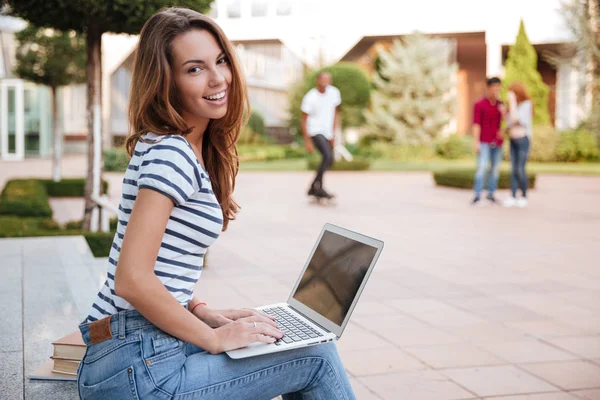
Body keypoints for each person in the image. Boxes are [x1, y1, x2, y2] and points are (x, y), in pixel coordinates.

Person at [76, 8, 355, 400]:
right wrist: (213, 338)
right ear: (166, 81)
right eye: (194, 69)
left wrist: (200, 310)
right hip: (138, 366)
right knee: (316, 355)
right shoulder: (172, 153)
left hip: (131, 350)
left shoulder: (168, 145)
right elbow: (132, 278)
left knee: (284, 342)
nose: (217, 78)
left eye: (220, 60)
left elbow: (157, 262)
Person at [301, 71, 342, 199]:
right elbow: (303, 120)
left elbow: (335, 113)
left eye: (328, 80)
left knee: (330, 159)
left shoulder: (334, 93)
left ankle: (314, 187)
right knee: (327, 156)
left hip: (328, 132)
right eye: (323, 80)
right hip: (314, 131)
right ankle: (318, 188)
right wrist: (307, 141)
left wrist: (334, 133)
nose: (325, 82)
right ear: (317, 80)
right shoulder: (310, 97)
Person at [472, 77, 507, 205]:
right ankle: (477, 195)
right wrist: (476, 142)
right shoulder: (479, 105)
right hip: (484, 141)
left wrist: (504, 115)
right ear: (488, 88)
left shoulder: (501, 105)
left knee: (495, 169)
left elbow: (507, 123)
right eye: (494, 87)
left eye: (498, 88)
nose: (496, 90)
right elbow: (476, 124)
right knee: (482, 167)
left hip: (497, 142)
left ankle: (491, 195)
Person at [503, 82, 533, 208]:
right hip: (513, 139)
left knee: (520, 169)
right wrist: (505, 112)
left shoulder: (526, 104)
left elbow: (517, 120)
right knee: (513, 169)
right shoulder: (512, 107)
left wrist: (512, 103)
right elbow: (510, 123)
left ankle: (524, 195)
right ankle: (513, 195)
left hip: (523, 140)